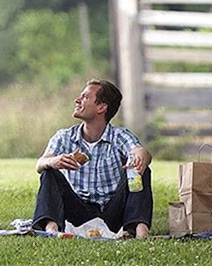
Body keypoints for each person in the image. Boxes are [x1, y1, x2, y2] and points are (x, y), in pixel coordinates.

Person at [33, 79, 153, 239]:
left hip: (113, 213)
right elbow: (40, 163)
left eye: (84, 97)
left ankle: (139, 232)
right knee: (48, 172)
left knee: (140, 170)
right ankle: (51, 230)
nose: (77, 100)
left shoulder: (119, 136)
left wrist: (140, 158)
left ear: (101, 108)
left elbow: (140, 151)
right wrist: (53, 161)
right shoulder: (64, 137)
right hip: (78, 212)